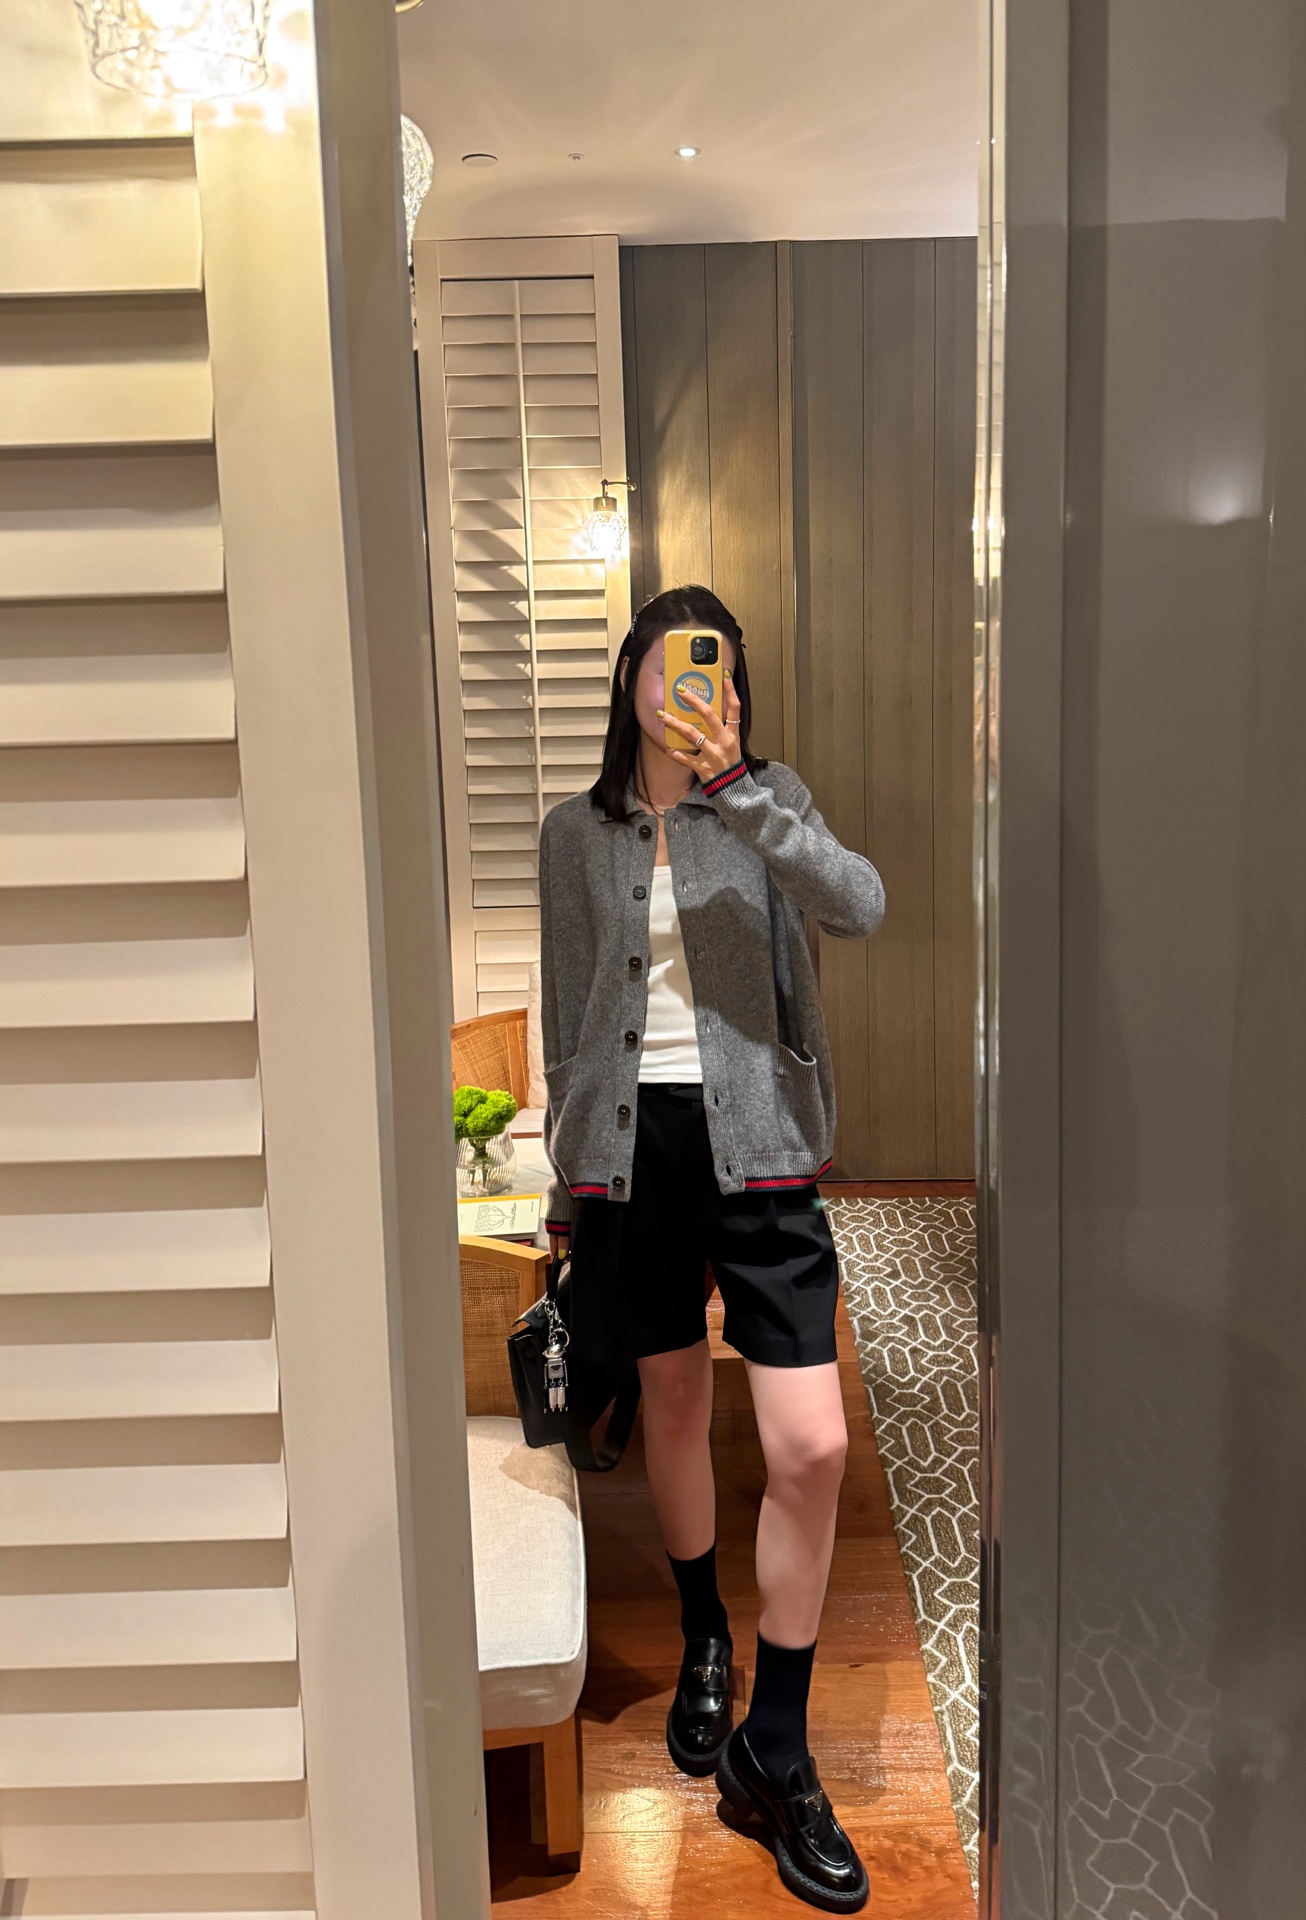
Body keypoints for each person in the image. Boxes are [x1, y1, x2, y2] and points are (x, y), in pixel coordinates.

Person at [538, 584, 884, 1913]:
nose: (699, 688)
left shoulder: (768, 796)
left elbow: (858, 905)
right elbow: (569, 1016)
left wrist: (740, 788)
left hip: (765, 1148)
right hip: (632, 1159)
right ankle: (703, 1641)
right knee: (674, 1400)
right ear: (631, 673)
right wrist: (568, 1192)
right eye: (679, 664)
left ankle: (772, 1743)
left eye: (722, 671)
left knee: (812, 1445)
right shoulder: (574, 834)